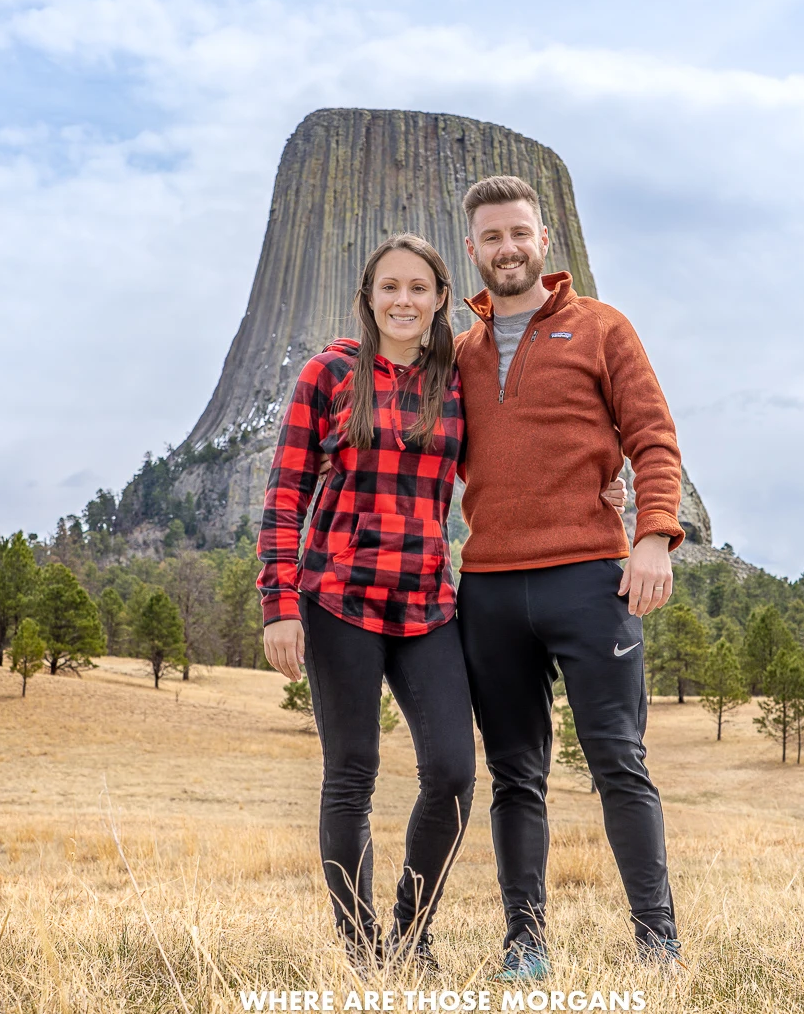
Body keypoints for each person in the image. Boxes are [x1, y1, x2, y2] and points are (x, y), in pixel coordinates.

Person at [256, 232, 623, 972]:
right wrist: (280, 603)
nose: (403, 300)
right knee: (351, 775)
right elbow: (285, 494)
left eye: (418, 288)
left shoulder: (452, 379)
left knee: (453, 772)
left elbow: (527, 449)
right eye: (389, 287)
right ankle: (366, 953)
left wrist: (604, 485)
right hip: (338, 598)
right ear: (368, 298)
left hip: (428, 601)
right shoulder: (328, 376)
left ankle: (411, 932)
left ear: (439, 300)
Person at [453, 174, 686, 981]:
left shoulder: (600, 327)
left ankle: (656, 942)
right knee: (515, 774)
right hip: (487, 588)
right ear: (473, 248)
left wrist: (652, 535)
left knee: (619, 759)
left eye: (519, 232)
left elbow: (653, 438)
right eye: (491, 236)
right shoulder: (463, 352)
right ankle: (524, 944)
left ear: (543, 241)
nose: (507, 248)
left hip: (590, 579)